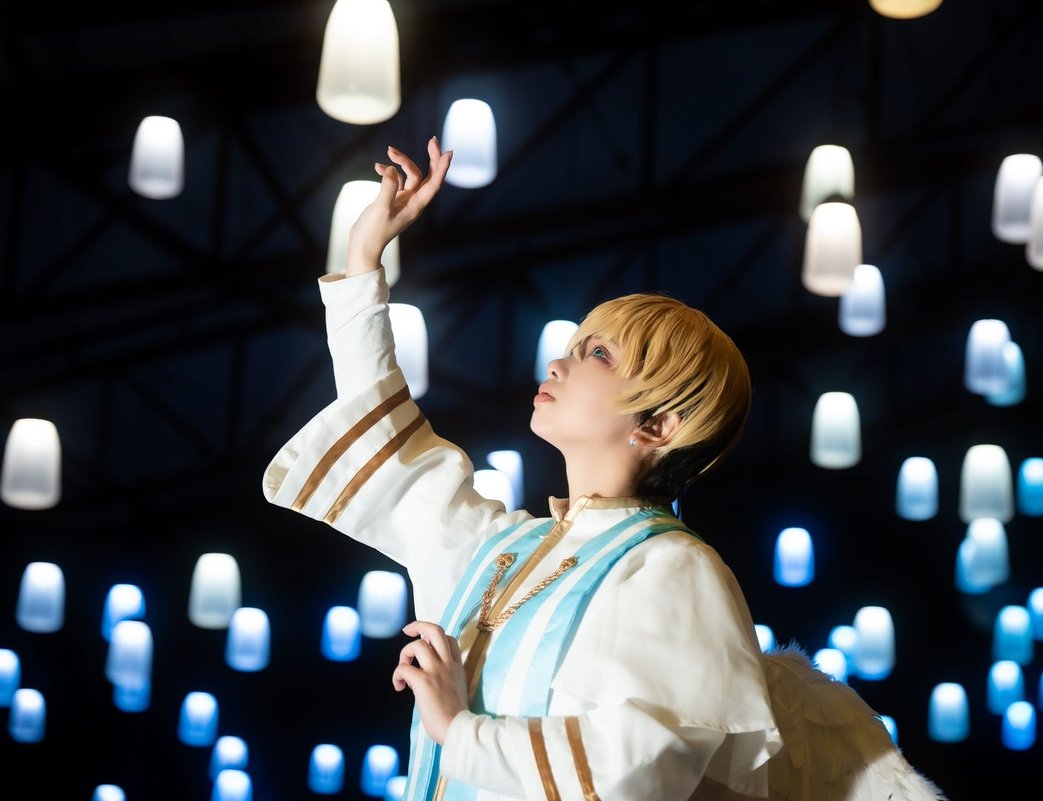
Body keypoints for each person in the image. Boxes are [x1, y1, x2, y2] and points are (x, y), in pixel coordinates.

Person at [263, 138, 947, 801]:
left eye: (597, 355)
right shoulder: (499, 551)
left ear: (659, 425)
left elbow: (643, 767)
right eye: (573, 345)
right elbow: (396, 453)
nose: (557, 363)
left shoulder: (674, 568)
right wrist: (364, 261)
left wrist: (458, 730)